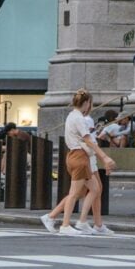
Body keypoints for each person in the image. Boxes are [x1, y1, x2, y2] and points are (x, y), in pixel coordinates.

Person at [44, 89, 106, 235]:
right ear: (86, 103)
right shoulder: (78, 118)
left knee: (95, 189)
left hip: (76, 155)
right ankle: (66, 224)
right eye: (89, 103)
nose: (90, 106)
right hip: (79, 156)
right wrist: (104, 156)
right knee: (74, 193)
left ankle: (80, 221)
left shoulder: (72, 116)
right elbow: (87, 139)